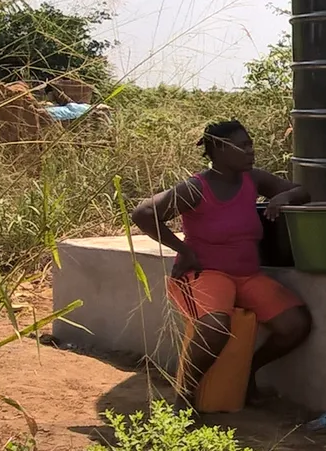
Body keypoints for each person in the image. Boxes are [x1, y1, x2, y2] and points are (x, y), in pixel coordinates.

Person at [132, 120, 314, 405]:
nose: (250, 151)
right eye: (242, 146)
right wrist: (183, 249)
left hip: (247, 276)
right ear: (217, 149)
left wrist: (282, 197)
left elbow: (302, 191)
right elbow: (143, 213)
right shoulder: (196, 188)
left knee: (296, 324)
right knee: (216, 327)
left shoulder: (253, 179)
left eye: (250, 144)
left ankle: (248, 374)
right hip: (205, 273)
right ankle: (185, 395)